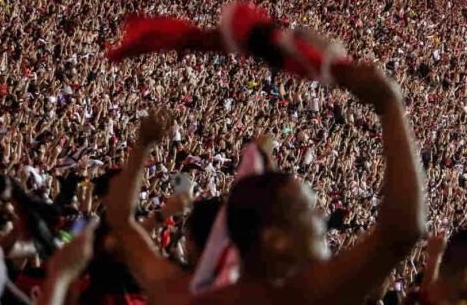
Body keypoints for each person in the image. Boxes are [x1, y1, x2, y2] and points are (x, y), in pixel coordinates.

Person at [106, 62, 426, 305]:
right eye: (309, 213)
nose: (321, 222)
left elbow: (122, 221)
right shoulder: (305, 296)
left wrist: (143, 145)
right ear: (276, 240)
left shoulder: (183, 294)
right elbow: (402, 231)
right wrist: (389, 104)